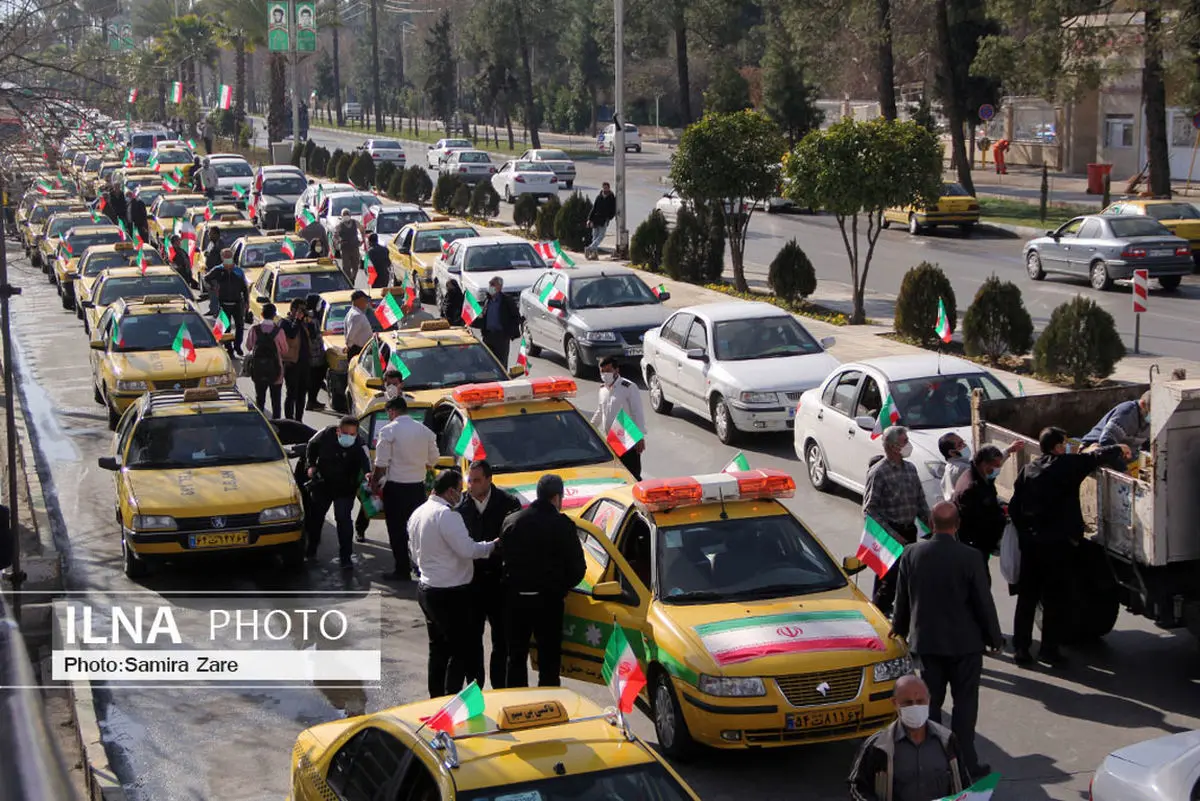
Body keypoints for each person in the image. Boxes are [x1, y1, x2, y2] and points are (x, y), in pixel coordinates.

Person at [891, 502, 1002, 778]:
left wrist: (899, 628)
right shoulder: (970, 557)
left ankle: (934, 760)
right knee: (965, 707)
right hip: (965, 646)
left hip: (928, 645)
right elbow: (983, 602)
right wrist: (994, 637)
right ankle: (966, 762)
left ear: (930, 522)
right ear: (958, 525)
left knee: (931, 706)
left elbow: (903, 598)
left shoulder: (911, 554)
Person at [1008, 427, 1130, 667]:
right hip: (1056, 545)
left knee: (1028, 598)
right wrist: (1118, 448)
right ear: (1056, 447)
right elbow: (1094, 457)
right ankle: (1048, 650)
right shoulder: (1065, 466)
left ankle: (1021, 649)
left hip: (1032, 544)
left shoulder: (1029, 469)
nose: (1067, 447)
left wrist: (1026, 533)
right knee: (1055, 599)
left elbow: (1015, 506)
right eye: (1064, 443)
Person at [409, 469, 498, 697]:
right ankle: (451, 699)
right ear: (449, 492)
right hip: (450, 593)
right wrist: (493, 545)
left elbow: (414, 555)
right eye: (459, 491)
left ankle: (436, 698)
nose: (462, 495)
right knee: (460, 650)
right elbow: (468, 550)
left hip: (427, 589)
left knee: (437, 649)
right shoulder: (447, 515)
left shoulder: (418, 513)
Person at [500, 474, 586, 688]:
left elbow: (502, 560)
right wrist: (560, 587)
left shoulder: (512, 522)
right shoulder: (563, 525)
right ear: (556, 497)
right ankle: (548, 711)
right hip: (549, 604)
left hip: (515, 603)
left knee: (516, 658)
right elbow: (578, 569)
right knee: (549, 662)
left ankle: (516, 708)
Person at [848, 675, 974, 801]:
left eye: (920, 701)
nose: (915, 707)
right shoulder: (877, 745)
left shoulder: (947, 740)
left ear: (928, 700)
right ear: (894, 703)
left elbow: (964, 783)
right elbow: (856, 787)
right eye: (908, 703)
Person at [457, 460, 521, 689]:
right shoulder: (460, 507)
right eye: (469, 480)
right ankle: (475, 687)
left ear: (488, 480)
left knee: (501, 641)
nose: (471, 485)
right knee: (472, 640)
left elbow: (513, 541)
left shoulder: (508, 504)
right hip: (470, 583)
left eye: (476, 480)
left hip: (499, 583)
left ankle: (500, 687)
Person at [862, 425, 931, 616]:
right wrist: (892, 536)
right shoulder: (879, 472)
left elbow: (919, 500)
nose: (908, 445)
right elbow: (870, 510)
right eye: (904, 441)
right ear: (893, 447)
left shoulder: (910, 468)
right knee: (888, 582)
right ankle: (879, 616)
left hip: (909, 532)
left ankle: (900, 615)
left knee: (907, 577)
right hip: (890, 534)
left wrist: (931, 522)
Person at [372, 395, 439, 581]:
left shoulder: (388, 431)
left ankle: (402, 569)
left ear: (392, 411)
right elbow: (433, 460)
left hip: (395, 489)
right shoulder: (424, 432)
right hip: (417, 489)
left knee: (397, 530)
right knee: (416, 529)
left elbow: (381, 463)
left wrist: (374, 483)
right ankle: (420, 567)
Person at [304, 416, 372, 568]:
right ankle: (310, 552)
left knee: (344, 521)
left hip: (345, 488)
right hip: (323, 485)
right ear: (338, 431)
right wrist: (311, 465)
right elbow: (311, 446)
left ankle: (345, 558)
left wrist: (368, 475)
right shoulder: (325, 434)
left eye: (352, 434)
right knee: (315, 519)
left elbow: (366, 464)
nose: (349, 437)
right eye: (346, 433)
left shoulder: (360, 444)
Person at [952, 445, 1009, 571]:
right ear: (984, 464)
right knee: (979, 577)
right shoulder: (972, 487)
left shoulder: (979, 476)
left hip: (978, 541)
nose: (997, 469)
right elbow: (980, 519)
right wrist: (1002, 519)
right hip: (974, 542)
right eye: (996, 465)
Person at [591, 357, 646, 480]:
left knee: (632, 474)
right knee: (616, 475)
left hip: (627, 437)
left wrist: (640, 437)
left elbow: (637, 413)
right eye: (602, 371)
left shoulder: (628, 387)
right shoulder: (603, 390)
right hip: (610, 439)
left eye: (608, 370)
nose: (605, 374)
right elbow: (600, 411)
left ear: (616, 370)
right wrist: (588, 428)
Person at [940, 433, 1022, 501]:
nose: (965, 445)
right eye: (960, 445)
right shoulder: (963, 468)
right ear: (952, 452)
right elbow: (989, 472)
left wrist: (1008, 450)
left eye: (963, 442)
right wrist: (1008, 451)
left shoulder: (950, 467)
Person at [245, 303, 287, 419]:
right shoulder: (279, 331)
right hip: (276, 370)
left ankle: (260, 424)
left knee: (260, 399)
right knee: (276, 401)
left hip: (258, 370)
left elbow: (249, 346)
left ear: (262, 314)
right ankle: (278, 427)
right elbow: (284, 350)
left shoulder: (254, 329)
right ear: (274, 315)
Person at [203, 250, 249, 355]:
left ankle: (237, 346)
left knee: (240, 326)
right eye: (225, 256)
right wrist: (212, 287)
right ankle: (229, 349)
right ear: (222, 257)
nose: (228, 257)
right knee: (225, 327)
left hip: (237, 303)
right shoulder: (218, 270)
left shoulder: (238, 271)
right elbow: (206, 279)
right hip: (223, 303)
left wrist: (246, 301)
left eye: (229, 256)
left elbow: (244, 288)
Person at [1080, 391, 1150, 455]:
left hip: (1125, 455)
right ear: (1142, 404)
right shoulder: (1126, 413)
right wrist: (1122, 468)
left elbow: (1147, 443)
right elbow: (1107, 442)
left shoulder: (1149, 421)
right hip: (1096, 447)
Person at [471, 275, 520, 366]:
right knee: (488, 363)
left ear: (500, 286)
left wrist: (508, 333)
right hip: (488, 336)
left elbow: (516, 317)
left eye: (493, 284)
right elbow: (484, 317)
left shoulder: (506, 300)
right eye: (490, 284)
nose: (490, 286)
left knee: (501, 364)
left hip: (501, 337)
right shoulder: (488, 300)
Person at [280, 298, 314, 421]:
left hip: (304, 363)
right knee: (291, 393)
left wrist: (309, 322)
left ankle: (299, 420)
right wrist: (297, 319)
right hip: (291, 363)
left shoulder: (303, 323)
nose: (303, 312)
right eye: (300, 310)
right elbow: (291, 333)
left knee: (301, 394)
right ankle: (289, 420)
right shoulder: (284, 322)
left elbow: (313, 335)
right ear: (293, 309)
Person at [305, 293, 327, 410]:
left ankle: (312, 400)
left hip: (316, 353)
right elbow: (312, 336)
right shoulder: (310, 318)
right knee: (315, 378)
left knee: (316, 378)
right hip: (313, 354)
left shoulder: (314, 316)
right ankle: (311, 401)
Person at [585, 182, 616, 260]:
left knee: (601, 236)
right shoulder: (599, 197)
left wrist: (609, 217)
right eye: (604, 187)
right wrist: (589, 219)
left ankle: (590, 249)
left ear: (609, 188)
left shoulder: (611, 197)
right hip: (595, 219)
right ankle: (593, 253)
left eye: (606, 187)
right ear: (602, 188)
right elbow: (594, 208)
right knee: (595, 237)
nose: (605, 189)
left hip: (604, 219)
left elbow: (613, 209)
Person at [343, 290, 373, 361]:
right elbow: (351, 334)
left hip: (359, 349)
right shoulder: (357, 315)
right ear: (358, 301)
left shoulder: (353, 313)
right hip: (358, 350)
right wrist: (349, 347)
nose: (366, 303)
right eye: (364, 300)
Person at [335, 209, 361, 282]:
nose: (346, 216)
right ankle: (348, 281)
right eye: (344, 214)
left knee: (356, 266)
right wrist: (338, 240)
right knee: (346, 268)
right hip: (345, 248)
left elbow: (362, 229)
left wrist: (362, 240)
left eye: (347, 214)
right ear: (342, 216)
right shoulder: (340, 225)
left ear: (350, 215)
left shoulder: (355, 222)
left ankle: (352, 279)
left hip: (355, 247)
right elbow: (335, 235)